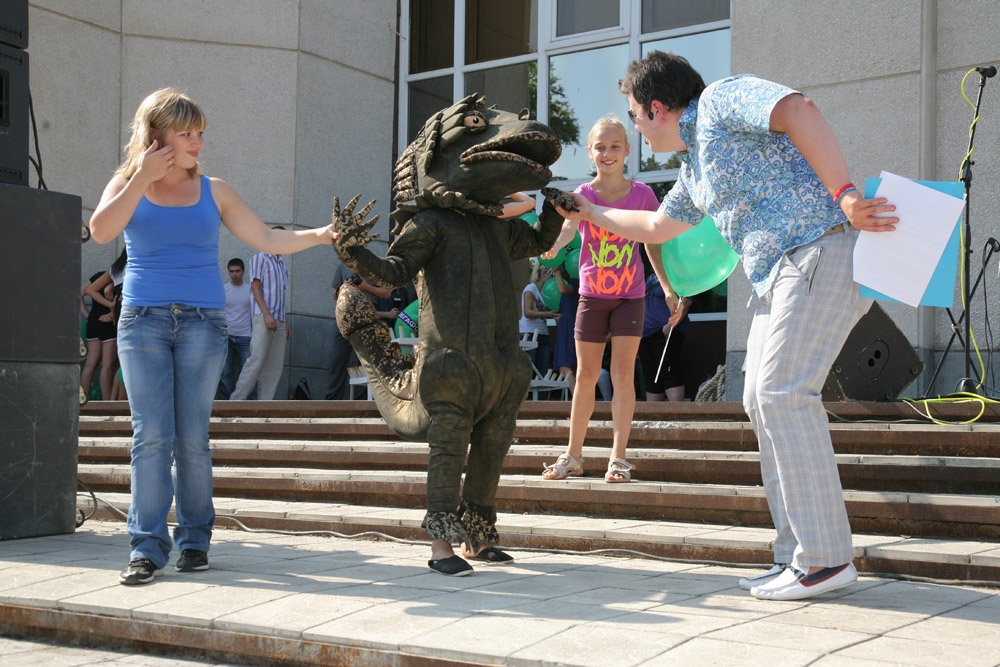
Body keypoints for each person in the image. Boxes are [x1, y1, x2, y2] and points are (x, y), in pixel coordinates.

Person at [547, 51, 898, 600]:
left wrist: (846, 195)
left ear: (657, 108)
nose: (636, 128)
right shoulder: (694, 167)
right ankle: (796, 556)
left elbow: (798, 109)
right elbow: (657, 225)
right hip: (777, 275)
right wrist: (589, 213)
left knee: (781, 393)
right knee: (762, 399)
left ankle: (827, 559)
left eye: (636, 116)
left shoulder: (719, 102)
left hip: (816, 250)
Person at [89, 87, 335, 586]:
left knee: (191, 438)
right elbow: (100, 231)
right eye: (187, 133)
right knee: (151, 437)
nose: (198, 142)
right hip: (142, 321)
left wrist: (323, 234)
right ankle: (146, 547)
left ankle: (195, 540)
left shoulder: (214, 189)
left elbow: (266, 238)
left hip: (203, 322)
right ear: (157, 137)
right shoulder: (127, 182)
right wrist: (140, 177)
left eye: (200, 132)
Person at [540, 114, 664, 483]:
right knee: (587, 376)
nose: (607, 153)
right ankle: (573, 456)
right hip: (592, 296)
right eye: (600, 147)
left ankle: (618, 459)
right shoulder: (584, 195)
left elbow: (652, 243)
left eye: (614, 147)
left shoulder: (643, 195)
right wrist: (551, 247)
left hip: (631, 297)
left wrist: (668, 287)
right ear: (591, 153)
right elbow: (567, 230)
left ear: (627, 150)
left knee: (624, 375)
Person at [229, 229, 293, 401]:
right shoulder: (260, 258)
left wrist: (285, 321)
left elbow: (281, 294)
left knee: (275, 367)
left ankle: (264, 406)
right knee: (256, 360)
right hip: (263, 317)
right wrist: (267, 314)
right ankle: (235, 402)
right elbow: (255, 288)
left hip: (279, 319)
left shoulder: (282, 263)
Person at [326, 263, 390, 399]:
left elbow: (386, 293)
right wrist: (344, 288)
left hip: (368, 316)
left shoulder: (374, 264)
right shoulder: (342, 266)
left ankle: (364, 400)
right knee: (336, 360)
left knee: (368, 362)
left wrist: (365, 286)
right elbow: (334, 294)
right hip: (345, 316)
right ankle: (332, 401)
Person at [638, 269, 691, 402]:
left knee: (669, 372)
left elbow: (687, 299)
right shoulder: (651, 277)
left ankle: (676, 414)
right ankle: (653, 417)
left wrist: (670, 326)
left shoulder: (677, 273)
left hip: (665, 329)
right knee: (651, 376)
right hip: (646, 333)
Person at [215, 258, 253, 400]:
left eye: (237, 271)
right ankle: (226, 405)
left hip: (245, 336)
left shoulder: (250, 290)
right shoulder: (224, 289)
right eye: (231, 271)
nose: (234, 274)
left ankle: (249, 405)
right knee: (225, 373)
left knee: (248, 372)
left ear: (243, 271)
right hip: (227, 336)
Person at [519, 260, 559, 385]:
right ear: (543, 273)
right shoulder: (530, 288)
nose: (552, 278)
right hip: (529, 333)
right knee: (529, 369)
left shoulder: (545, 293)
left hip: (543, 333)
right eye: (551, 274)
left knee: (542, 371)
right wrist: (548, 314)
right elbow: (528, 312)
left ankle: (541, 402)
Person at [550, 264, 579, 395]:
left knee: (565, 366)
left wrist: (556, 270)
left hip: (569, 327)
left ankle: (577, 402)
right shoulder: (576, 282)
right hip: (568, 324)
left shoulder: (576, 281)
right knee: (572, 366)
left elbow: (562, 289)